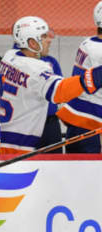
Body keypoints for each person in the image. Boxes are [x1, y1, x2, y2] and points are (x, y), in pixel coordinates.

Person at [0, 16, 102, 155]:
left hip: (3, 134)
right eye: (44, 36)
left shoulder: (9, 56)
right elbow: (60, 91)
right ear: (32, 43)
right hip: (20, 142)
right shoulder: (35, 69)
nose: (49, 40)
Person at [57, 1, 102, 153]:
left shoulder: (88, 42)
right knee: (88, 172)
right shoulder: (99, 51)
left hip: (78, 114)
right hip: (90, 120)